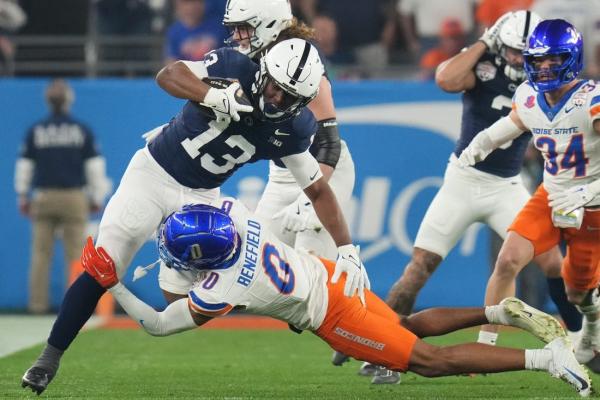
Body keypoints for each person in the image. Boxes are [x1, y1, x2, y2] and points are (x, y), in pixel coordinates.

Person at [21, 39, 367, 395]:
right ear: (263, 73)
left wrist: (346, 248)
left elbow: (318, 190)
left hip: (202, 198)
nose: (277, 99)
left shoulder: (293, 129)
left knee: (186, 302)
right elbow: (168, 75)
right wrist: (213, 96)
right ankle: (49, 357)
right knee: (106, 261)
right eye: (276, 87)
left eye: (289, 97)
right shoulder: (234, 68)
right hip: (153, 175)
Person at [77, 198, 591, 397]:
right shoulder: (236, 217)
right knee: (405, 326)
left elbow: (161, 323)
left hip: (330, 310)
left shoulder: (225, 287)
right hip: (330, 275)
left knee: (427, 362)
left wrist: (113, 282)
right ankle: (498, 310)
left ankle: (546, 359)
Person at [369, 11, 583, 384]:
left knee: (551, 262)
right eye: (515, 51)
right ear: (501, 45)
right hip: (463, 181)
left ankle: (579, 336)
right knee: (417, 269)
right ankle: (379, 346)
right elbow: (444, 79)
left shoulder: (544, 84)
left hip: (508, 185)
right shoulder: (483, 65)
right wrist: (485, 41)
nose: (521, 60)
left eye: (527, 52)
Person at [457, 19, 600, 368]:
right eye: (538, 60)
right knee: (508, 260)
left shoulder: (591, 99)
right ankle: (487, 344)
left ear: (572, 59)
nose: (545, 67)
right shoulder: (529, 97)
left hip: (593, 204)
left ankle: (592, 331)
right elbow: (512, 124)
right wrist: (481, 144)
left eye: (554, 59)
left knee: (577, 293)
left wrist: (588, 190)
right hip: (549, 195)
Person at [223, 0, 355, 261]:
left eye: (244, 27)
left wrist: (309, 200)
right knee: (256, 264)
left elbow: (329, 143)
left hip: (321, 170)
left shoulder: (298, 59)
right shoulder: (253, 57)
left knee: (314, 269)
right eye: (236, 27)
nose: (237, 35)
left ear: (268, 23)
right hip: (284, 173)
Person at [14, 79, 110, 314]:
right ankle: (76, 307)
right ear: (69, 100)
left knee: (40, 253)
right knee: (77, 254)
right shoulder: (80, 130)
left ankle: (37, 305)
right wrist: (97, 195)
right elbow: (95, 167)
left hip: (44, 196)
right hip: (73, 197)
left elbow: (24, 166)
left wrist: (23, 194)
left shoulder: (36, 130)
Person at [164, 0, 228, 63]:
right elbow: (171, 63)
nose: (191, 7)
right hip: (187, 72)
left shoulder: (219, 26)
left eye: (195, 1)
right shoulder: (174, 32)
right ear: (177, 6)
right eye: (185, 3)